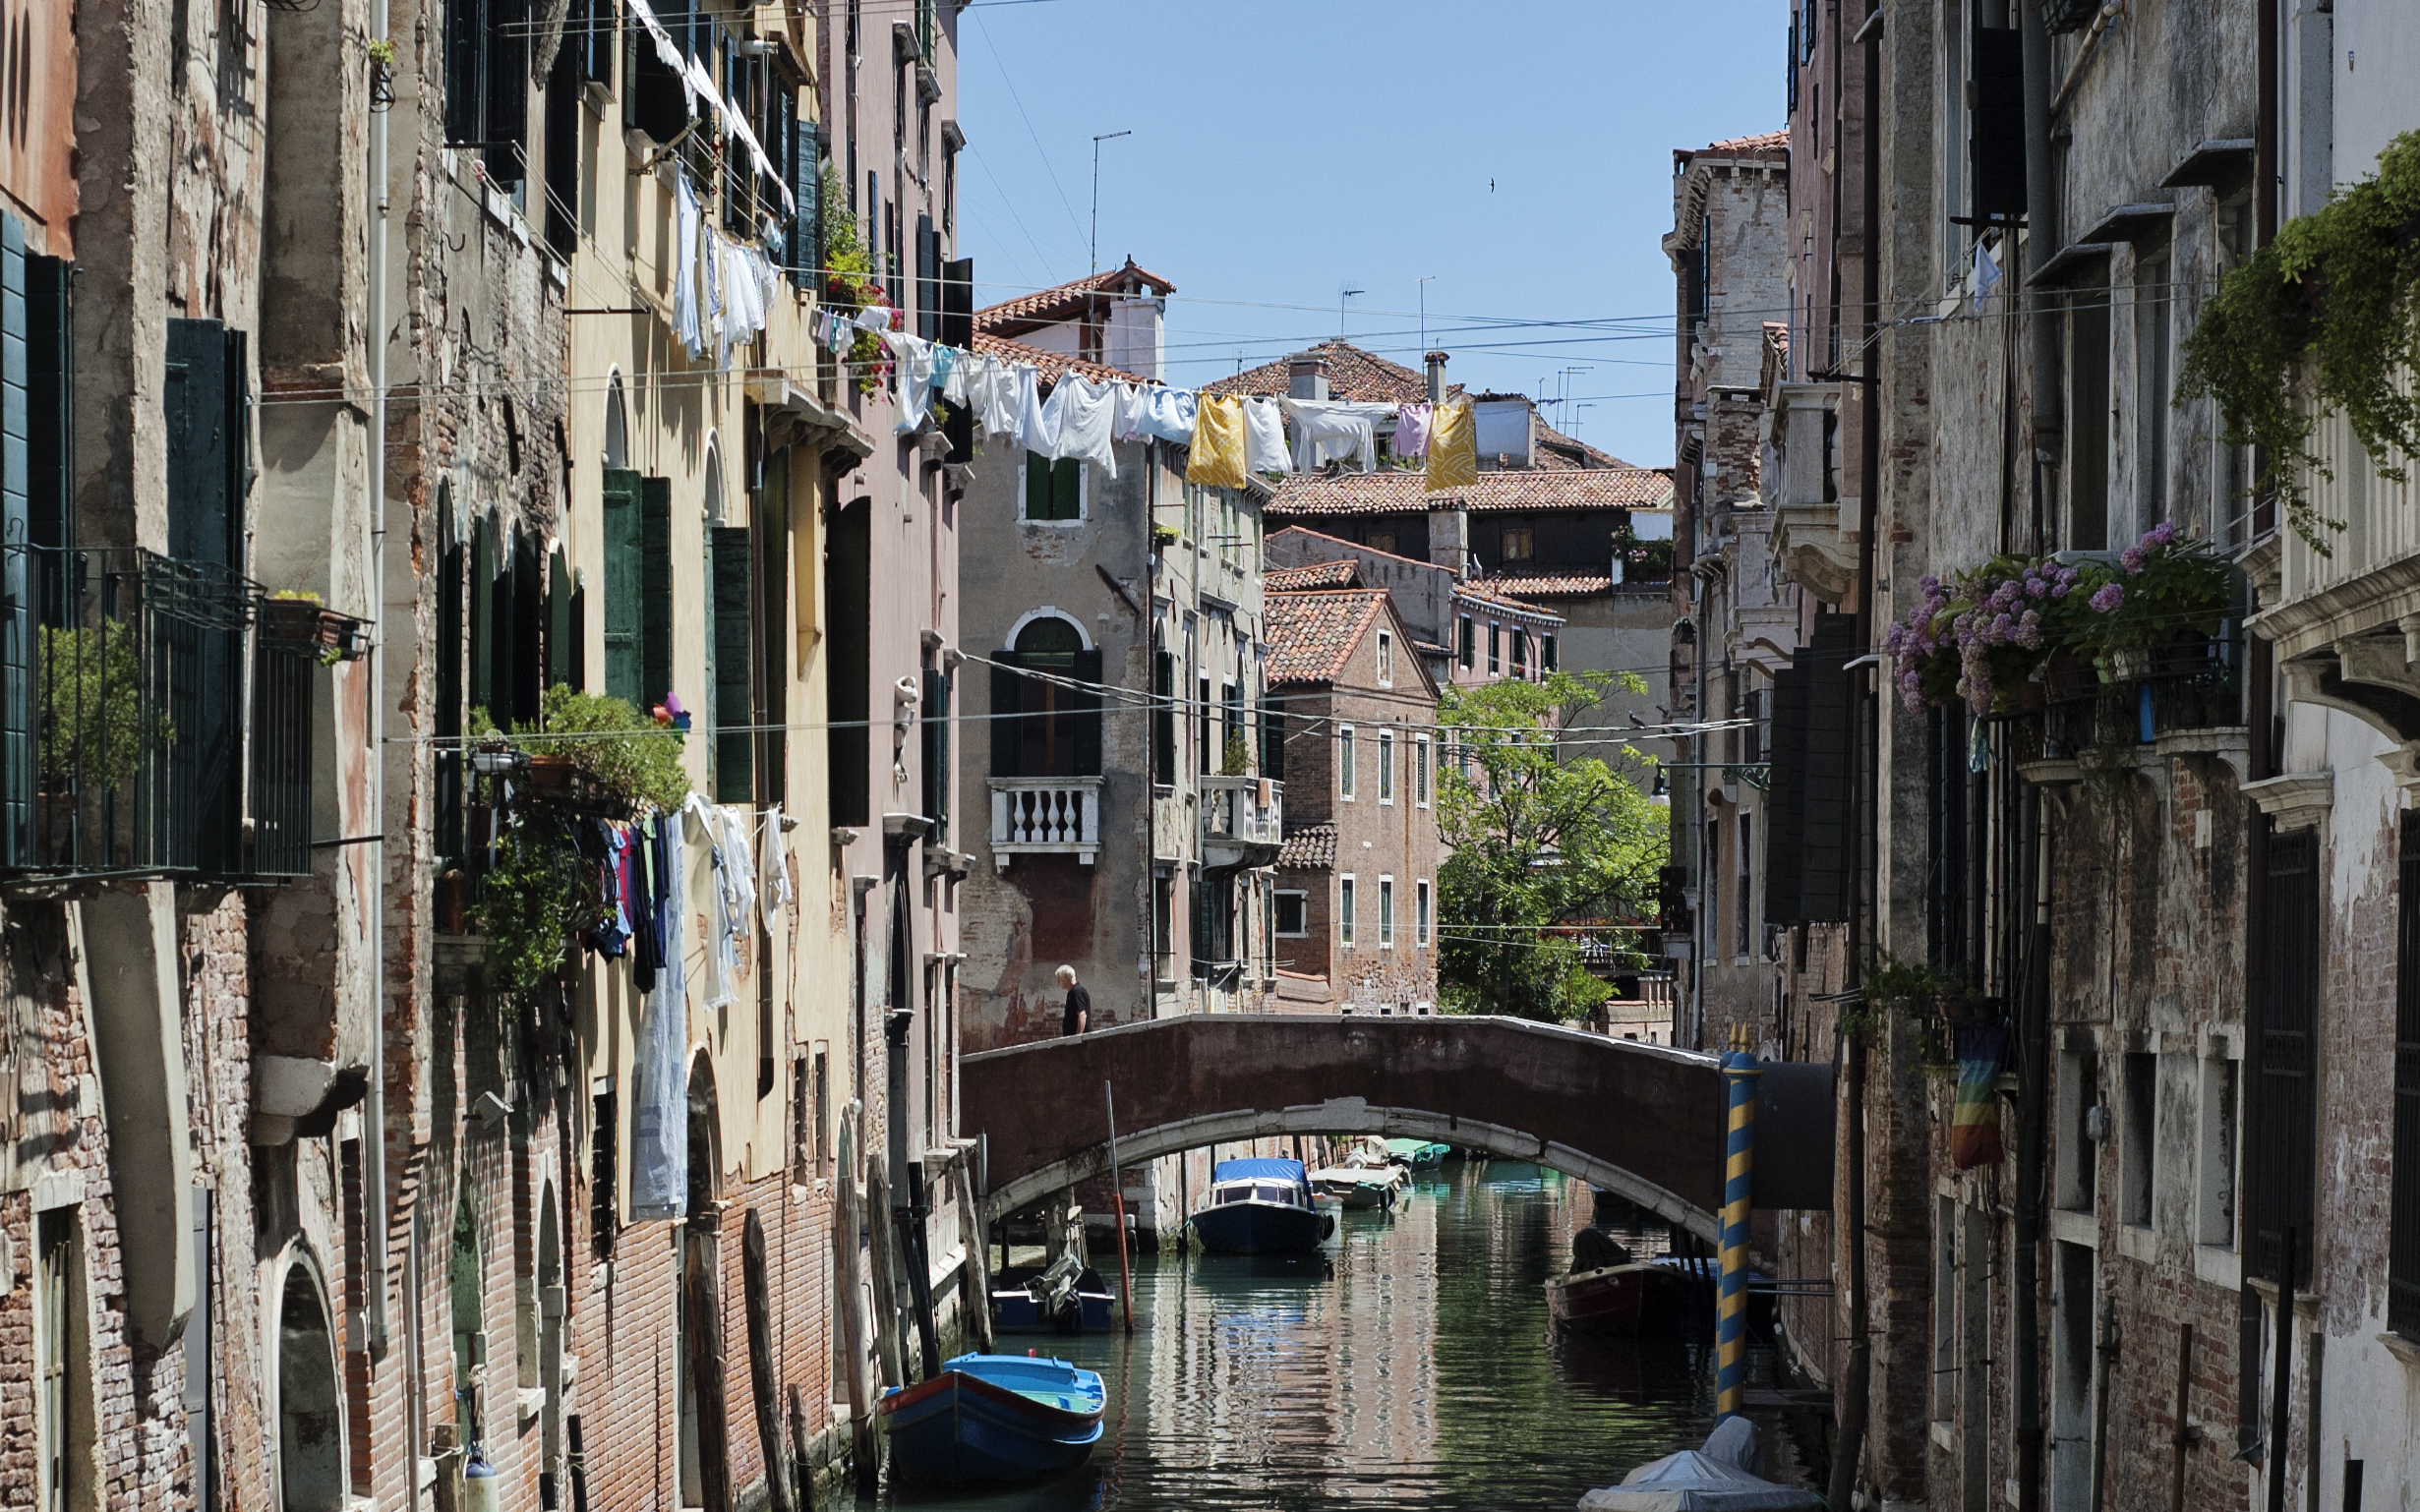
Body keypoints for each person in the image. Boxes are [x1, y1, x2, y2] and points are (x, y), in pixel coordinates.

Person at [1057, 964, 1090, 1036]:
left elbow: (1082, 1014)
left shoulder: (1076, 991)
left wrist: (1078, 1037)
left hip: (1080, 1042)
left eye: (1059, 979)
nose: (1058, 983)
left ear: (1065, 977)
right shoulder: (1073, 992)